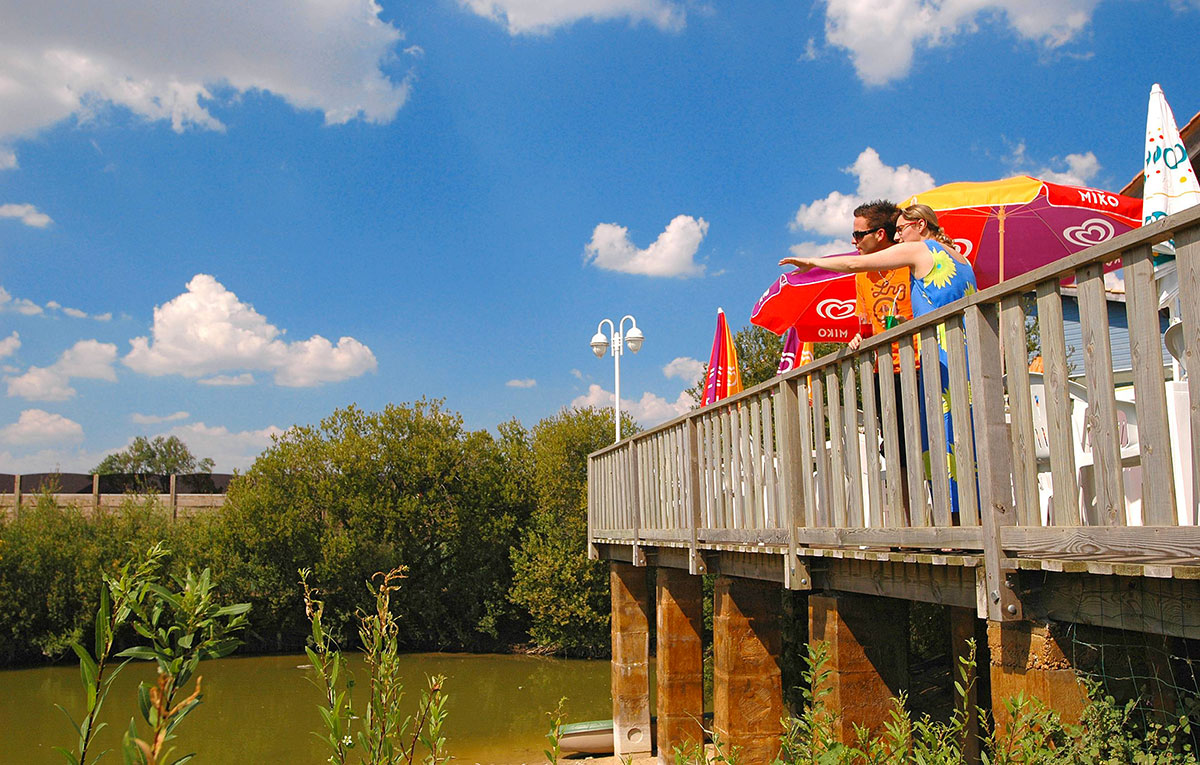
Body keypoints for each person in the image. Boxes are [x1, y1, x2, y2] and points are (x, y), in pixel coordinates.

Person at [780, 203, 977, 520]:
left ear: (921, 225)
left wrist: (813, 263)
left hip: (928, 358)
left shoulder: (917, 252)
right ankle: (958, 520)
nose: (899, 237)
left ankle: (950, 523)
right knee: (950, 440)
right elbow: (868, 311)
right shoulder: (959, 258)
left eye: (902, 230)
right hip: (955, 354)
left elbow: (852, 265)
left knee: (935, 442)